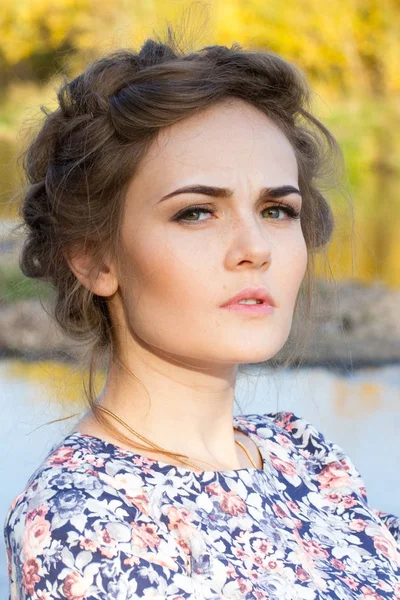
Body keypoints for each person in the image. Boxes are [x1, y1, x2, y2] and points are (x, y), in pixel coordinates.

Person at [3, 22, 400, 600]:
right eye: (195, 212)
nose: (256, 249)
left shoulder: (300, 453)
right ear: (93, 260)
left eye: (277, 210)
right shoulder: (86, 527)